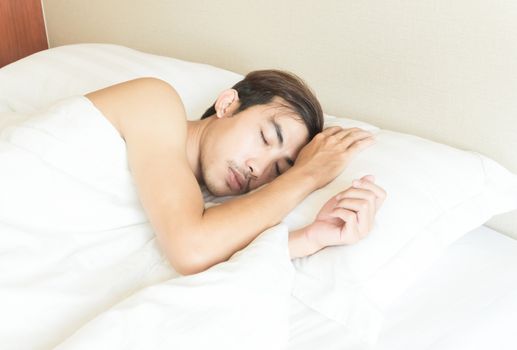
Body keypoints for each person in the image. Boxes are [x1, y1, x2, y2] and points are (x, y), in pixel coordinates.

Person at [85, 70, 386, 275]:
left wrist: (311, 238)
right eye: (266, 138)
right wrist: (307, 175)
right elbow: (191, 248)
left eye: (278, 170)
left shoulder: (192, 203)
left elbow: (204, 250)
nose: (258, 169)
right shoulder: (155, 100)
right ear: (228, 104)